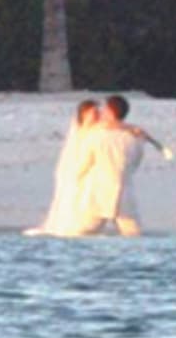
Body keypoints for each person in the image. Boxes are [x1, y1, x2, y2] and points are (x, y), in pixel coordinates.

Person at [74, 94, 159, 236]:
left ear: (110, 111)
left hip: (99, 194)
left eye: (105, 109)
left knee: (84, 233)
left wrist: (77, 183)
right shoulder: (135, 139)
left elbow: (84, 166)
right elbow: (134, 164)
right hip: (125, 194)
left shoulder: (96, 136)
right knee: (134, 234)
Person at [23, 99, 102, 236]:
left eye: (96, 112)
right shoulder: (79, 131)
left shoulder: (99, 130)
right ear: (83, 114)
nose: (96, 115)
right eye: (92, 112)